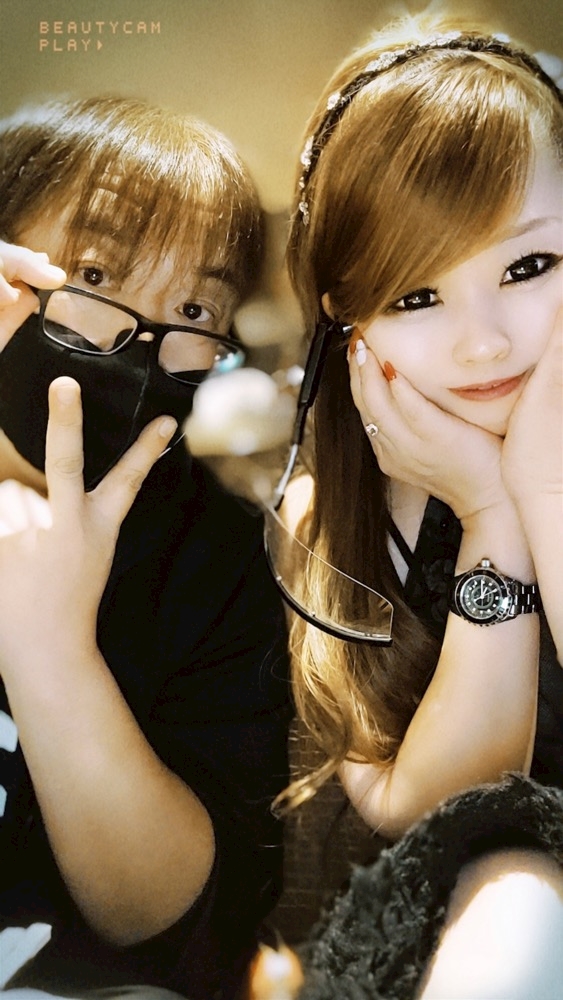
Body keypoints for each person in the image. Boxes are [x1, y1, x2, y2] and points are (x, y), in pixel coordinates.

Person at [273, 12, 563, 997]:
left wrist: (541, 490)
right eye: (413, 296)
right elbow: (434, 809)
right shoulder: (325, 518)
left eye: (526, 267)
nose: (483, 343)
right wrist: (491, 516)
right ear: (342, 318)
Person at [0, 97, 291, 1000]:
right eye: (94, 271)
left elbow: (173, 923)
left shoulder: (223, 561)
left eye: (195, 307)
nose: (144, 338)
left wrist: (50, 651)